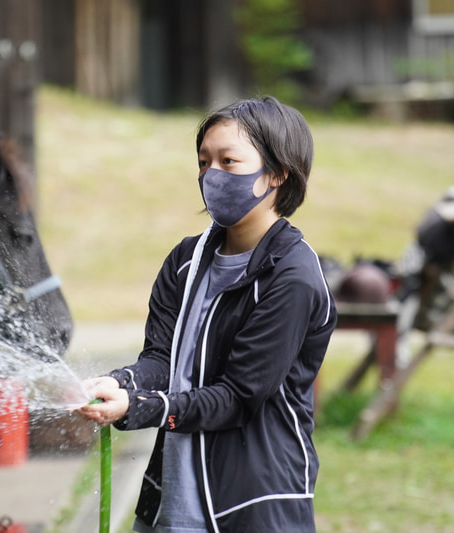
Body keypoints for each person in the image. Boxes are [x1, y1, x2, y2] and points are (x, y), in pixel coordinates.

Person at [77, 96, 337, 533]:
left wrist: (140, 409)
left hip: (254, 507)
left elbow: (237, 398)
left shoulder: (293, 277)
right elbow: (163, 359)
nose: (211, 175)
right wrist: (124, 383)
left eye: (229, 161)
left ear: (277, 174)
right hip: (168, 502)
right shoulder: (185, 259)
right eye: (203, 161)